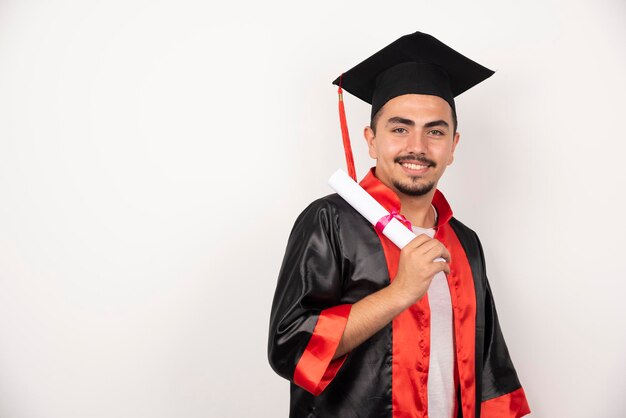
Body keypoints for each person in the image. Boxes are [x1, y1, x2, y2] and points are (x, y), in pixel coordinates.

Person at [268, 31, 531, 418]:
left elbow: (489, 364)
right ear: (371, 140)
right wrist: (400, 292)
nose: (418, 147)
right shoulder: (331, 221)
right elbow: (288, 348)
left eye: (435, 131)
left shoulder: (464, 242)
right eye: (400, 128)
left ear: (453, 146)